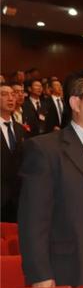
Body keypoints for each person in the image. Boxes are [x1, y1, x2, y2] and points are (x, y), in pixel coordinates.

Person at [18, 70, 83, 287]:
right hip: (71, 270)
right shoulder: (46, 149)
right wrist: (40, 275)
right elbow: (34, 220)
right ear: (75, 103)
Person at [1, 84, 26, 223]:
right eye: (4, 94)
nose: (10, 98)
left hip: (18, 198)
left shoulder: (19, 128)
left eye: (12, 94)